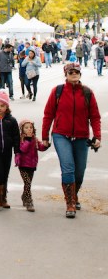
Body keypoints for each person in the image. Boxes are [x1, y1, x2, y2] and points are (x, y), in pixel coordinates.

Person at [42, 62, 102, 218]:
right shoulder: (57, 91)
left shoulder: (88, 93)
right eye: (71, 72)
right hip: (61, 135)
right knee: (68, 167)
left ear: (80, 74)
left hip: (82, 137)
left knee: (80, 172)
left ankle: (74, 195)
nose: (74, 74)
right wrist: (44, 137)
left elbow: (95, 117)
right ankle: (70, 203)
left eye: (76, 72)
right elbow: (48, 115)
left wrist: (97, 136)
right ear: (66, 74)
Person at [16, 119, 48, 212]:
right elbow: (23, 149)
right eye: (26, 128)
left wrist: (46, 145)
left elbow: (40, 147)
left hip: (32, 165)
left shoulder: (35, 139)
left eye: (31, 127)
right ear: (22, 130)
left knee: (28, 183)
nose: (29, 129)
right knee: (28, 182)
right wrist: (28, 140)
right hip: (23, 165)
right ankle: (29, 201)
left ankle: (24, 196)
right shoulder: (21, 139)